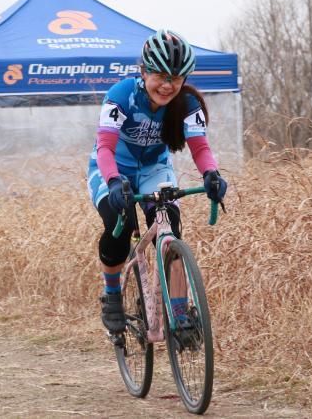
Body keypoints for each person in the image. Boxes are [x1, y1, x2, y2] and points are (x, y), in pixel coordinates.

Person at [86, 29, 228, 337]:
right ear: (144, 70)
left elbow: (200, 148)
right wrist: (112, 181)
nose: (167, 86)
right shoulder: (121, 95)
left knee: (170, 230)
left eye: (175, 79)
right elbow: (105, 148)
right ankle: (112, 296)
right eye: (161, 76)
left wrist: (211, 175)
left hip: (154, 170)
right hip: (112, 167)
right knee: (117, 227)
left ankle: (180, 312)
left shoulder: (187, 103)